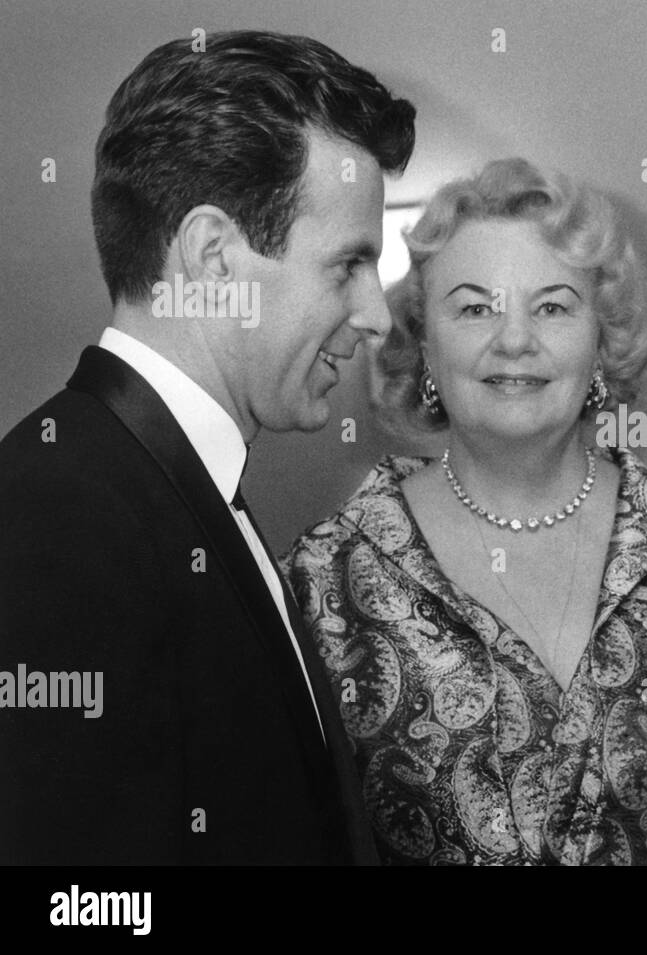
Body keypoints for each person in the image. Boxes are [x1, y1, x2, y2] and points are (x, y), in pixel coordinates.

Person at [284, 158, 647, 865]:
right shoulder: (320, 586)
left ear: (602, 343)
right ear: (423, 343)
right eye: (474, 307)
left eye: (552, 305)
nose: (514, 339)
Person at [0, 30, 415, 863]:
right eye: (348, 265)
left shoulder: (157, 481)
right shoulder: (58, 509)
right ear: (214, 256)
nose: (376, 314)